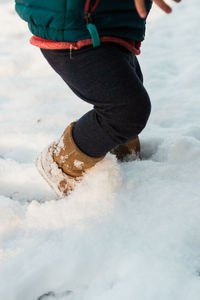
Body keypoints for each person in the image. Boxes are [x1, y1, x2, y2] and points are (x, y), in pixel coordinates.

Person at [15, 0, 181, 197]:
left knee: (127, 98)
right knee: (126, 110)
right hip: (74, 22)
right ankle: (61, 165)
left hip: (109, 23)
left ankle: (118, 164)